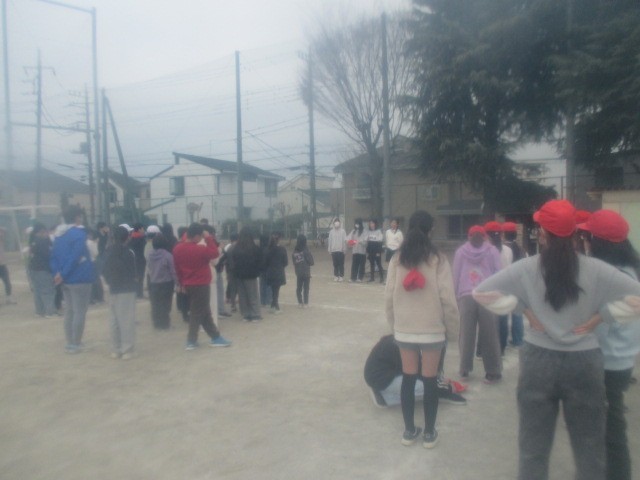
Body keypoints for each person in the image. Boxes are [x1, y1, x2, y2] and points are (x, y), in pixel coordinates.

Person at [473, 200, 640, 480]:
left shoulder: (526, 268)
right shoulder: (598, 269)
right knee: (590, 451)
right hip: (585, 364)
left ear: (542, 233)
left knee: (533, 451)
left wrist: (522, 308)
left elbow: (480, 293)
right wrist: (603, 316)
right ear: (575, 233)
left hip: (538, 361)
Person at [385, 210, 459, 448]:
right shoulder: (438, 259)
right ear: (431, 230)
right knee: (429, 380)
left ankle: (409, 431)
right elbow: (447, 298)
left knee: (408, 378)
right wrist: (452, 331)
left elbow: (388, 296)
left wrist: (395, 326)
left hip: (405, 329)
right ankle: (429, 433)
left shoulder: (397, 259)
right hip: (432, 330)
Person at [577, 210, 640, 480]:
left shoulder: (609, 279)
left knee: (607, 432)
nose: (585, 241)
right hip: (621, 361)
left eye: (587, 237)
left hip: (605, 362)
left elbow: (598, 328)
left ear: (598, 242)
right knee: (609, 426)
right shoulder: (631, 270)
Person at [452, 225, 502, 382]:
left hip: (466, 295)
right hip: (487, 295)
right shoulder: (492, 251)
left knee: (466, 333)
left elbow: (456, 274)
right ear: (485, 237)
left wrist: (456, 295)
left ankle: (464, 369)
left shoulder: (460, 252)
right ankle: (493, 371)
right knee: (490, 334)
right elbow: (499, 273)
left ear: (469, 237)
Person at [173, 223, 231, 350]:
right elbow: (215, 253)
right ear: (197, 236)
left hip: (188, 283)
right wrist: (208, 238)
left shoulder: (177, 248)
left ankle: (215, 337)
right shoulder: (200, 249)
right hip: (201, 284)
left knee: (205, 312)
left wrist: (181, 282)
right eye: (201, 236)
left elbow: (177, 268)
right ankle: (191, 340)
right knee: (197, 312)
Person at [364, 335, 467, 407]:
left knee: (424, 383)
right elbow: (420, 375)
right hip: (380, 380)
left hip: (381, 374)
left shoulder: (404, 338)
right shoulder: (407, 348)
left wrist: (439, 380)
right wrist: (447, 388)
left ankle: (387, 392)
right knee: (422, 387)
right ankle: (385, 397)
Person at [50, 205, 95, 354]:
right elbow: (75, 257)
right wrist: (63, 274)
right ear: (77, 217)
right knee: (79, 312)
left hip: (64, 279)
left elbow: (53, 257)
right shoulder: (79, 234)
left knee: (69, 311)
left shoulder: (59, 235)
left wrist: (58, 274)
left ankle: (70, 342)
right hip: (80, 277)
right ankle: (76, 343)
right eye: (80, 216)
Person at [102, 226, 137, 359]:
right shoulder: (129, 252)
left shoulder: (108, 251)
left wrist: (109, 281)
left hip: (113, 288)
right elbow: (133, 271)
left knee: (114, 320)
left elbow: (104, 270)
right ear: (127, 237)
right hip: (127, 288)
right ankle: (126, 350)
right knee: (126, 320)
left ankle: (115, 349)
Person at [484, 221, 513, 355]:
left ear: (486, 235)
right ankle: (501, 349)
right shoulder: (508, 250)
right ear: (501, 235)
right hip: (504, 287)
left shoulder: (485, 250)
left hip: (489, 287)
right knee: (503, 319)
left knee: (487, 320)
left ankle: (485, 349)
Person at [230, 227, 262, 322]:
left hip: (239, 275)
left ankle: (246, 315)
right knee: (253, 295)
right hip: (251, 275)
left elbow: (233, 261)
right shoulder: (254, 248)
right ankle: (255, 314)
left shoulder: (236, 248)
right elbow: (259, 261)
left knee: (242, 296)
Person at [147, 234, 178, 330]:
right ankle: (165, 324)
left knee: (155, 304)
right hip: (166, 283)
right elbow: (173, 271)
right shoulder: (168, 255)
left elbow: (149, 267)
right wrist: (177, 282)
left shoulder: (149, 255)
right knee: (165, 304)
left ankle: (157, 324)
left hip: (153, 282)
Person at [502, 221, 525, 346]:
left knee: (504, 313)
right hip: (519, 283)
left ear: (504, 234)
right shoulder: (521, 249)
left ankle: (503, 339)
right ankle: (518, 339)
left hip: (506, 283)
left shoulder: (503, 249)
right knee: (517, 313)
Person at [28, 223, 56, 317]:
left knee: (37, 291)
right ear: (41, 231)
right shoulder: (42, 241)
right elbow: (48, 255)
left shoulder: (33, 241)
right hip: (42, 269)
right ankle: (50, 312)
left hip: (33, 268)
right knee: (47, 290)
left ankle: (40, 311)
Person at [264, 233, 288, 314]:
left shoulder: (268, 250)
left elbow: (265, 262)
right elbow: (286, 262)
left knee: (274, 289)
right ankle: (276, 306)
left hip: (270, 272)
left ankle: (273, 305)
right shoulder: (282, 249)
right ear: (279, 240)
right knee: (276, 290)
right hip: (279, 272)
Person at [292, 234, 314, 307]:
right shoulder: (306, 251)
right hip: (306, 273)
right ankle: (306, 303)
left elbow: (294, 262)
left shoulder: (295, 251)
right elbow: (311, 262)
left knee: (299, 288)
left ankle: (300, 302)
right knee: (306, 288)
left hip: (298, 272)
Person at [129, 223, 147, 298]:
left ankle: (136, 292)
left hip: (133, 259)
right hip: (141, 259)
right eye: (142, 228)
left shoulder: (131, 238)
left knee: (135, 276)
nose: (143, 230)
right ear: (139, 229)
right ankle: (140, 293)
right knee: (141, 276)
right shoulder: (142, 238)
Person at [347, 218, 367, 282]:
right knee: (354, 265)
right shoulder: (353, 231)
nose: (356, 225)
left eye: (358, 223)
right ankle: (353, 277)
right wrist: (353, 242)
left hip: (362, 252)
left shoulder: (364, 231)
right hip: (355, 251)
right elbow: (348, 239)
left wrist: (359, 241)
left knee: (361, 266)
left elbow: (365, 241)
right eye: (356, 223)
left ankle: (360, 278)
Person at [0, 227, 16, 304]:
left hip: (2, 265)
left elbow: (4, 231)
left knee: (7, 282)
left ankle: (8, 298)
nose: (2, 234)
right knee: (7, 282)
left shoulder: (1, 241)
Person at [258, 234, 273, 307]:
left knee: (262, 285)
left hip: (261, 270)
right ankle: (268, 301)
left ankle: (262, 301)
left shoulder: (258, 249)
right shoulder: (269, 250)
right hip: (268, 269)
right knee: (268, 285)